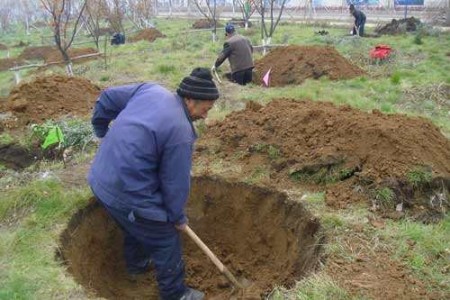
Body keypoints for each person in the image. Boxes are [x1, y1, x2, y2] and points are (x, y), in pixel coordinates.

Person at [88, 67, 220, 300]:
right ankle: (176, 294)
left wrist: (100, 129)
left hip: (100, 179)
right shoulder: (181, 132)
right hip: (125, 192)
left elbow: (107, 97)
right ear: (190, 100)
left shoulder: (150, 91)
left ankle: (137, 264)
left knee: (136, 222)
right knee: (166, 238)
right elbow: (174, 184)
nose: (205, 115)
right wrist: (177, 218)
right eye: (205, 109)